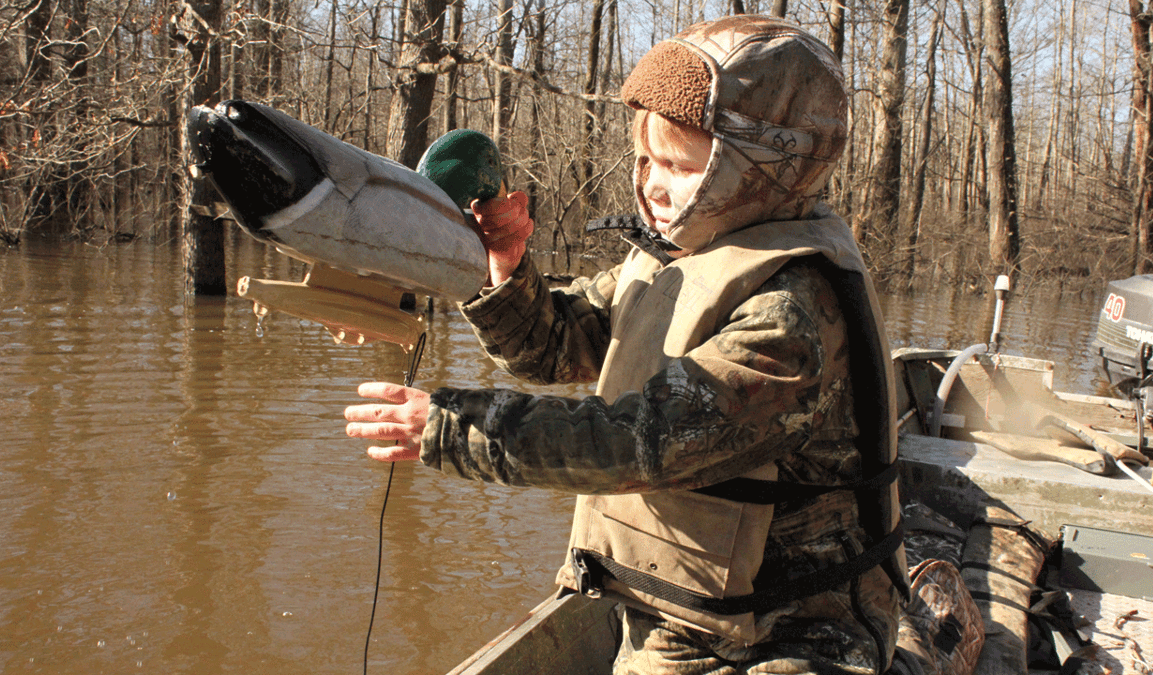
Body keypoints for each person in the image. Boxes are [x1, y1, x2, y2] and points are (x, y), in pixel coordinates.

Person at [345, 15, 909, 675]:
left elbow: (637, 441)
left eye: (679, 163)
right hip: (677, 620)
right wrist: (502, 266)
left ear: (761, 169)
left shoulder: (793, 314)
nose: (651, 183)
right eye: (645, 159)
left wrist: (448, 426)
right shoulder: (676, 259)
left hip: (790, 639)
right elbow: (555, 346)